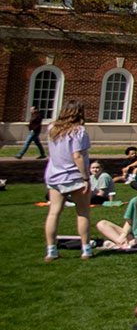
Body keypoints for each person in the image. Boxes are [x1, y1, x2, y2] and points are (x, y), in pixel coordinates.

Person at [40, 102, 93, 260]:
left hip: (55, 175)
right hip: (74, 176)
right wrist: (85, 178)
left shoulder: (52, 129)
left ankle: (51, 251)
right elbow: (77, 156)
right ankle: (86, 249)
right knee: (83, 213)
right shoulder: (79, 131)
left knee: (54, 213)